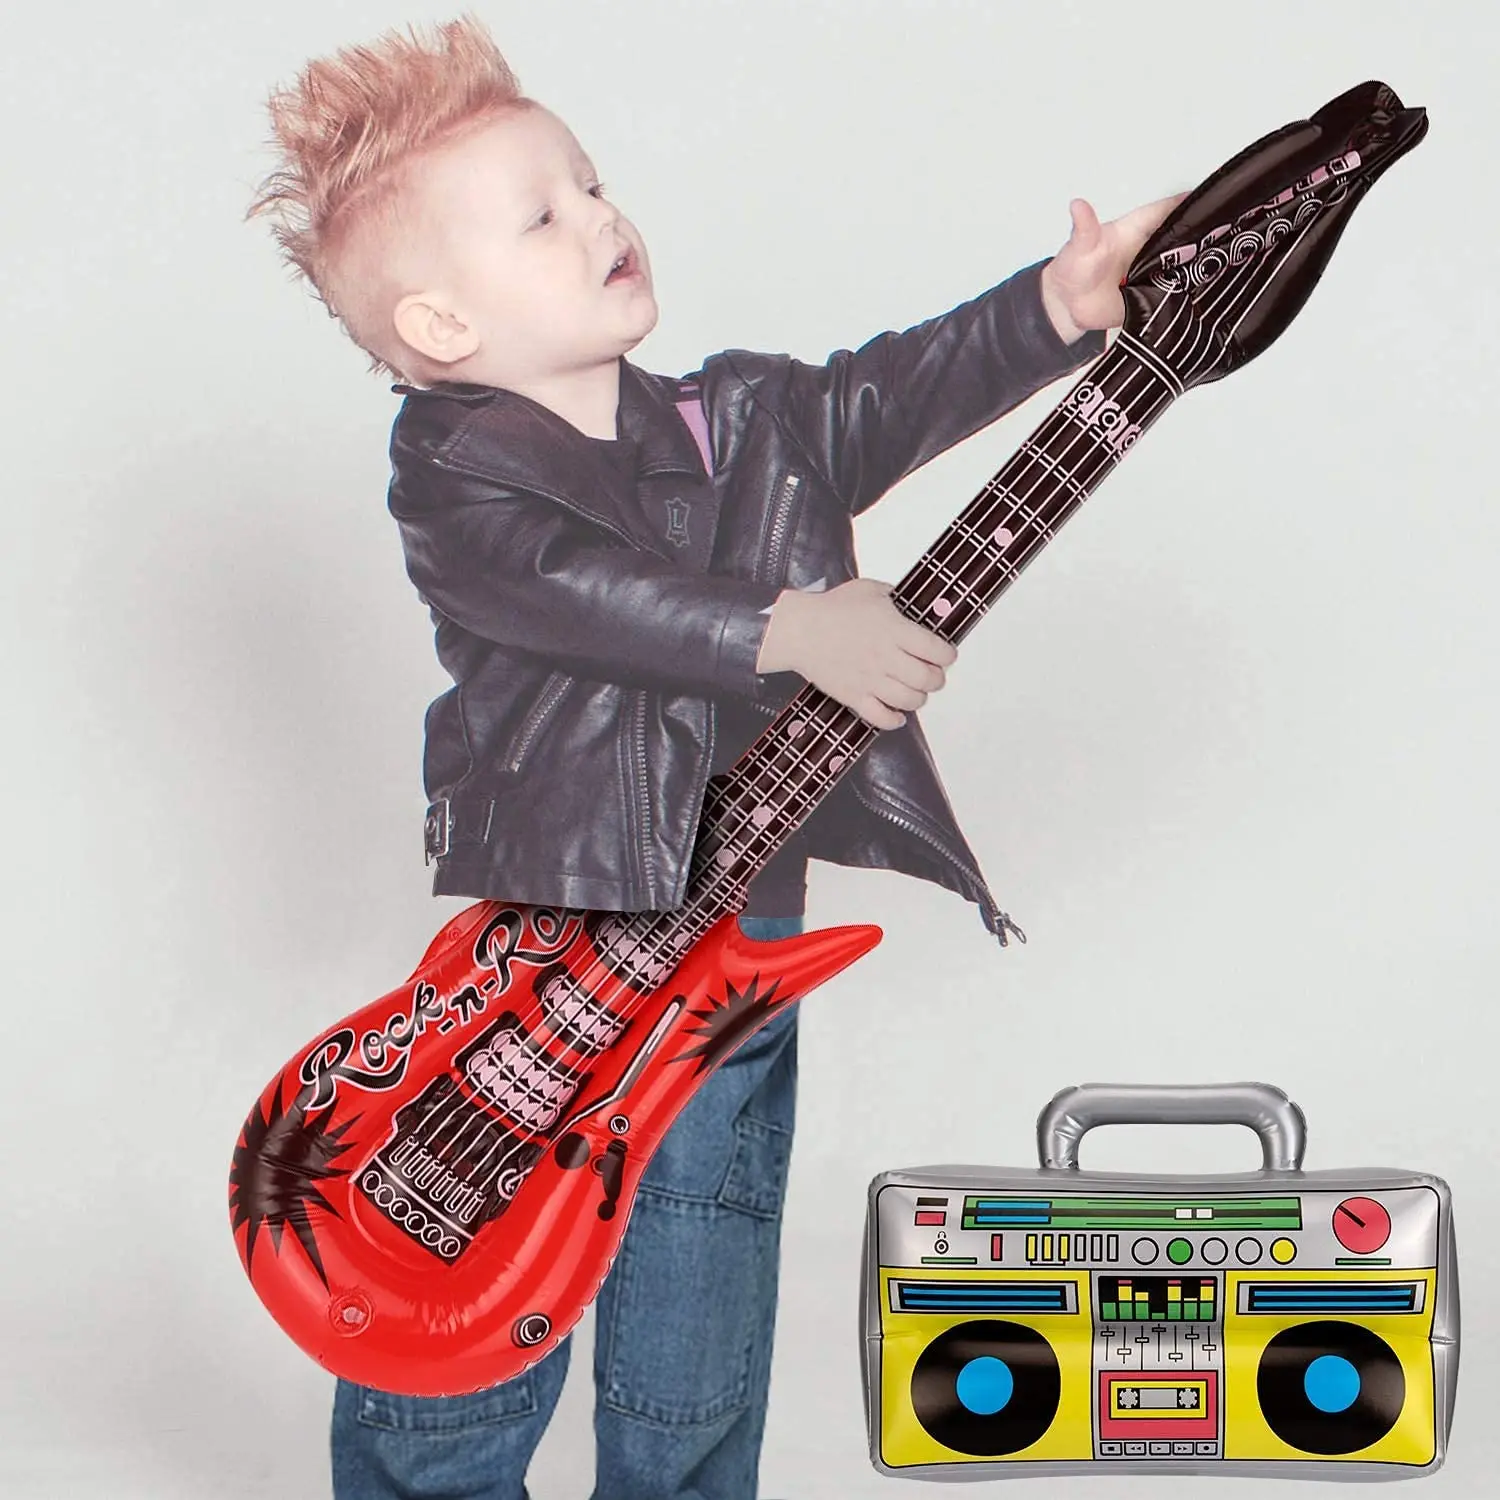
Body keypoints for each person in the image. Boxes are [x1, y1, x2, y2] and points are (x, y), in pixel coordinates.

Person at [248, 15, 1180, 1499]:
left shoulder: (741, 417)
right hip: (563, 943)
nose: (599, 216)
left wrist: (1057, 309)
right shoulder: (454, 465)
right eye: (541, 216)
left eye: (592, 183)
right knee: (481, 1274)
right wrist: (791, 628)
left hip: (738, 935)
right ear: (440, 325)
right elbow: (568, 587)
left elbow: (889, 391)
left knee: (702, 1273)